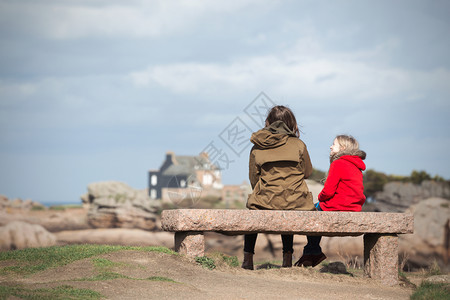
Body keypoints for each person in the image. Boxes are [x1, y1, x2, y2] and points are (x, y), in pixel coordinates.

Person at [242, 105, 315, 270]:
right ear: (291, 124)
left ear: (268, 122)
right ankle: (287, 258)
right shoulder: (299, 145)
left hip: (265, 199)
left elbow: (254, 177)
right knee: (288, 203)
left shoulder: (258, 146)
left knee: (253, 214)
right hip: (296, 201)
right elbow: (307, 172)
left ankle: (247, 259)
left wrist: (264, 190)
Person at [294, 135, 367, 267]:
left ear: (342, 148)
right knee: (316, 210)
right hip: (353, 207)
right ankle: (311, 253)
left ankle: (313, 252)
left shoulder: (338, 163)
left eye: (334, 144)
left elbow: (328, 191)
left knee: (312, 212)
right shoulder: (357, 166)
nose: (330, 146)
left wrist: (320, 198)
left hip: (339, 205)